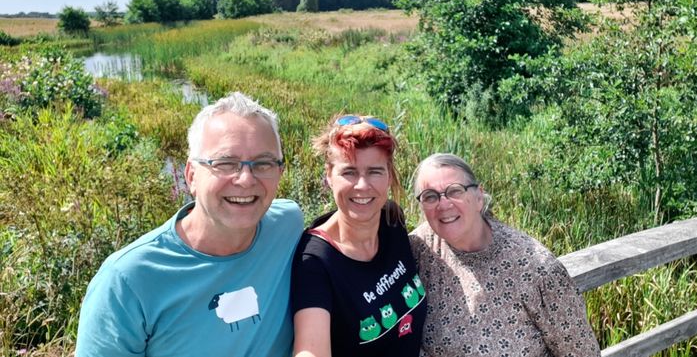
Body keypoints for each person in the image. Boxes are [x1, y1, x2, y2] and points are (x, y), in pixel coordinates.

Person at [75, 92, 304, 357]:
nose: (245, 179)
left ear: (280, 173)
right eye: (225, 163)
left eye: (263, 164)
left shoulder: (288, 223)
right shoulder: (128, 281)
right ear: (191, 176)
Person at [409, 153, 601, 357]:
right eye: (430, 196)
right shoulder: (419, 248)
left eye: (455, 191)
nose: (443, 204)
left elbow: (582, 353)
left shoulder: (536, 268)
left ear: (478, 197)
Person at [291, 114, 426, 357]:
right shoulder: (315, 260)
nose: (362, 185)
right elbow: (310, 348)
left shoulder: (392, 221)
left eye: (375, 171)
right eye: (349, 172)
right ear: (329, 175)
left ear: (389, 175)